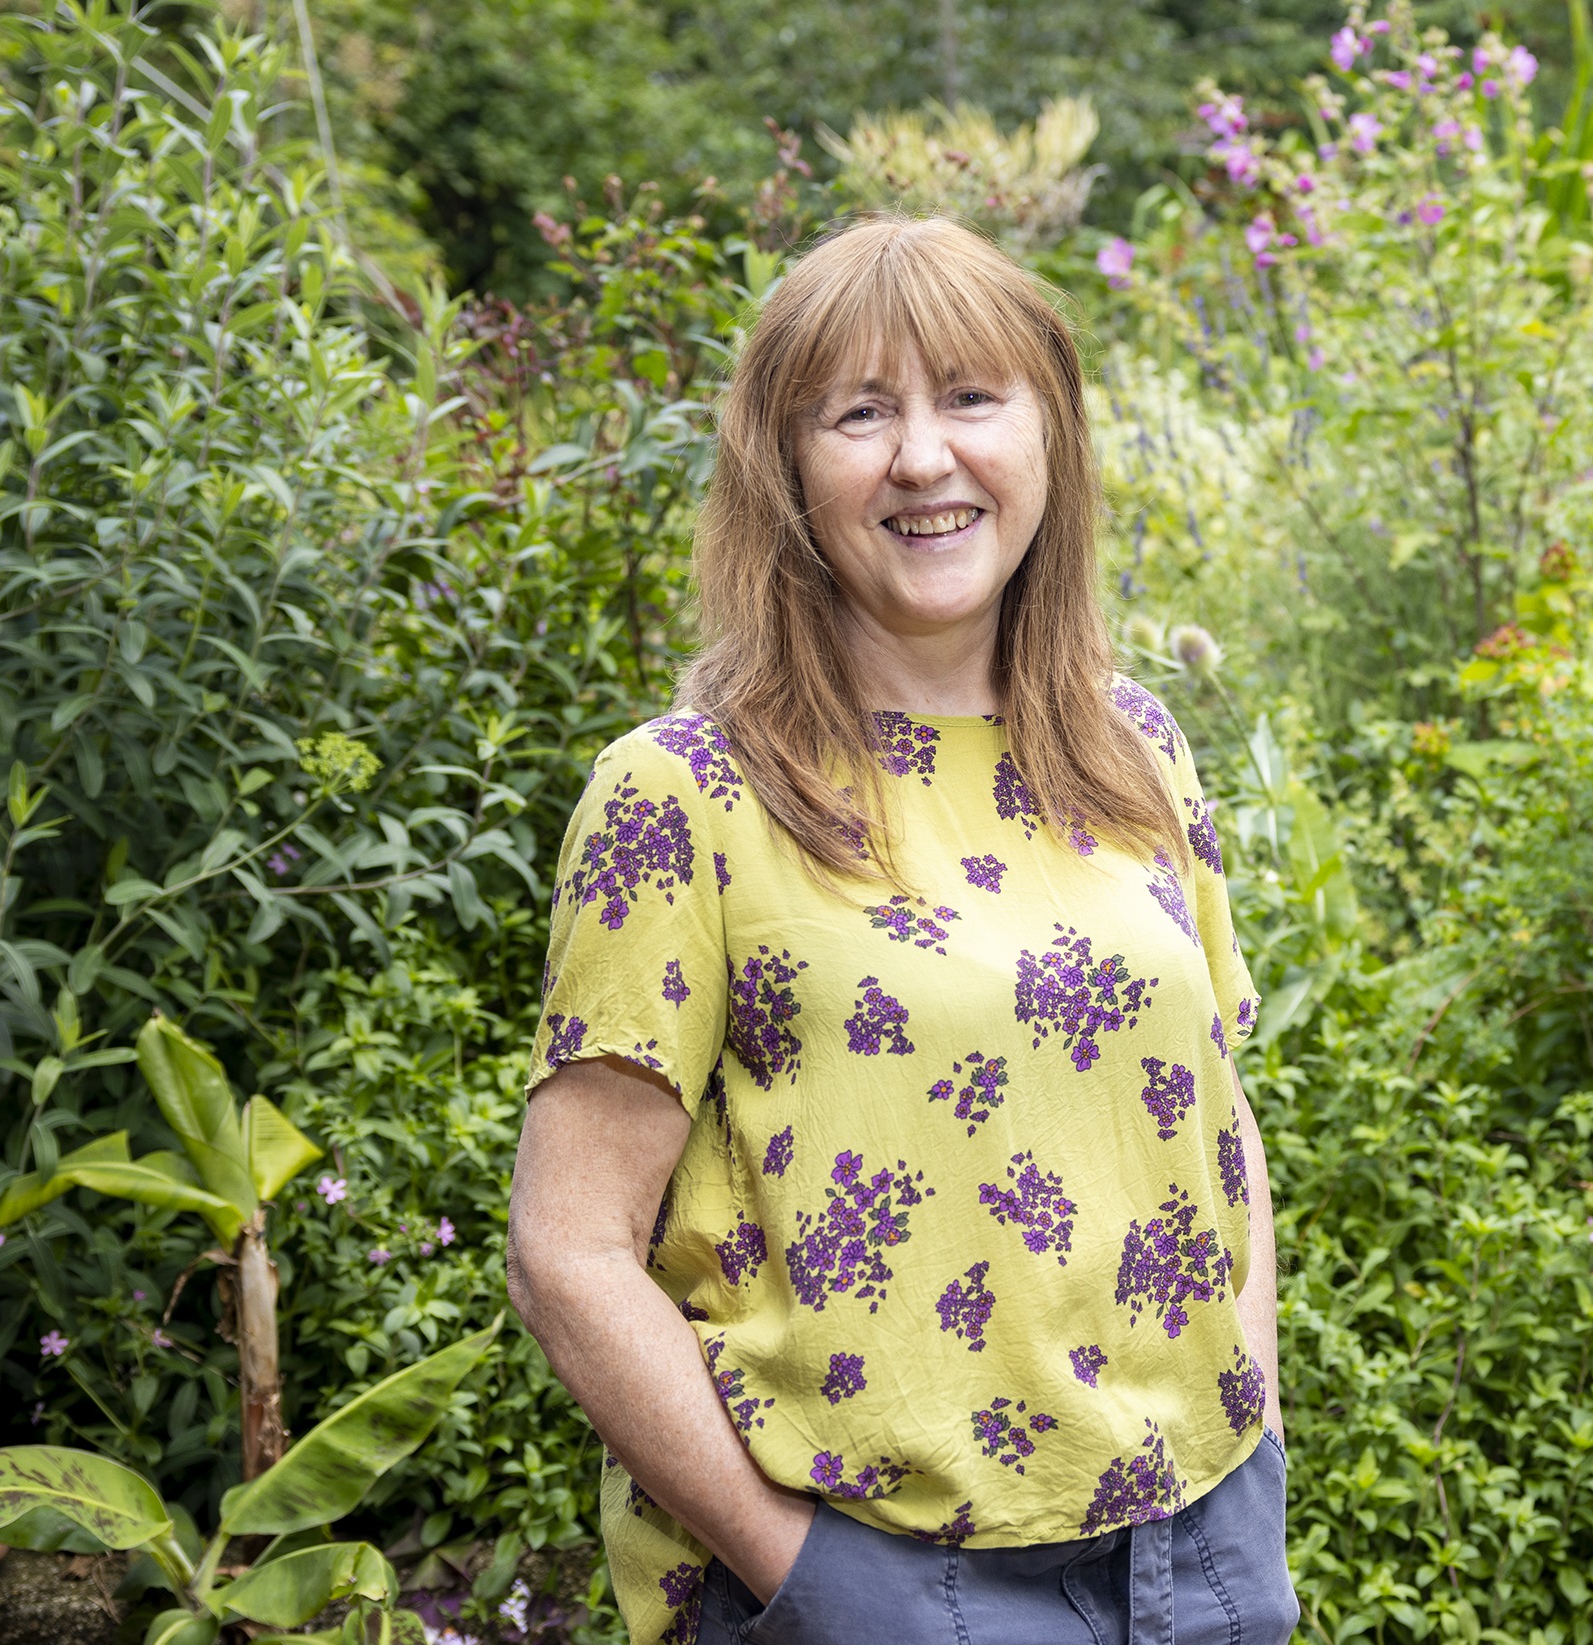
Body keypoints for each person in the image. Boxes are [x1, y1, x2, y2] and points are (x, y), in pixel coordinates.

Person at [506, 214, 1297, 1645]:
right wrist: (806, 1576)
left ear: (1048, 433)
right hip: (882, 1572)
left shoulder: (1136, 748)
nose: (923, 457)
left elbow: (1211, 1108)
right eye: (860, 413)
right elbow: (566, 1248)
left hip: (1202, 1553)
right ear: (786, 468)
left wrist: (1255, 1441)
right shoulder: (685, 791)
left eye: (970, 397)